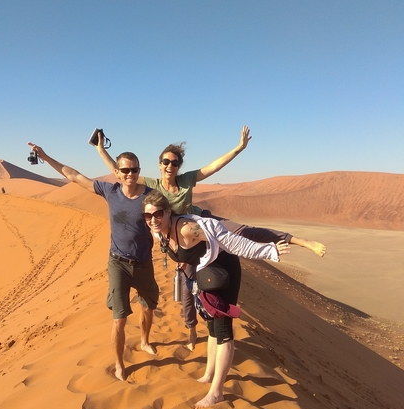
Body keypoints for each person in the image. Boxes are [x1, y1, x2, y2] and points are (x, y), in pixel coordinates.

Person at [95, 127, 326, 350]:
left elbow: (213, 167)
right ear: (159, 165)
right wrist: (100, 151)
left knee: (244, 231)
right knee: (188, 294)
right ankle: (192, 331)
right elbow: (123, 173)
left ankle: (300, 241)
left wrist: (239, 148)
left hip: (201, 223)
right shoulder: (151, 185)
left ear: (179, 166)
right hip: (180, 240)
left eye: (175, 162)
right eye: (166, 162)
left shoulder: (186, 179)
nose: (170, 166)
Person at [142, 190, 291, 408]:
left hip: (223, 272)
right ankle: (209, 373)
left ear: (167, 212)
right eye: (148, 216)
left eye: (157, 214)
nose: (153, 220)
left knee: (223, 330)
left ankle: (217, 392)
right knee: (211, 325)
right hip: (206, 274)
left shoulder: (186, 228)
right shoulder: (158, 231)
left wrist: (267, 250)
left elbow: (228, 240)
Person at [27, 142, 159, 381]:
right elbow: (74, 175)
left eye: (135, 170)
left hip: (144, 262)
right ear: (117, 173)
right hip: (118, 263)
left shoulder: (151, 196)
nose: (130, 174)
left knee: (148, 307)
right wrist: (45, 156)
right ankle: (119, 364)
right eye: (125, 170)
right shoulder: (110, 192)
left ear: (139, 171)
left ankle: (145, 340)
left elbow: (172, 213)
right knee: (119, 318)